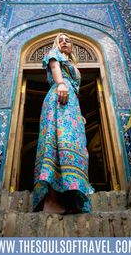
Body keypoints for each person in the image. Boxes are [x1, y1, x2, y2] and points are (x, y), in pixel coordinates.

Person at [33, 33, 94, 214]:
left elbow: (74, 91)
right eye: (60, 40)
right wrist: (60, 84)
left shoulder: (72, 65)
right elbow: (54, 67)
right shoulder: (54, 55)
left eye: (67, 40)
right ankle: (50, 200)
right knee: (56, 141)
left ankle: (70, 197)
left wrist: (79, 114)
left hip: (71, 104)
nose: (64, 42)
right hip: (59, 99)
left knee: (72, 145)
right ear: (56, 44)